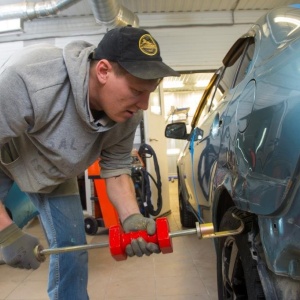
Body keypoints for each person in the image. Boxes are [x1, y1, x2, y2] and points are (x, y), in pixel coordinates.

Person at [0, 25, 179, 299]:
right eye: (135, 90)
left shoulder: (129, 114)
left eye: (149, 92)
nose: (143, 104)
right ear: (103, 71)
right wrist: (6, 232)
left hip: (54, 172)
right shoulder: (29, 78)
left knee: (72, 248)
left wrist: (132, 218)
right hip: (5, 158)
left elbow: (117, 170)